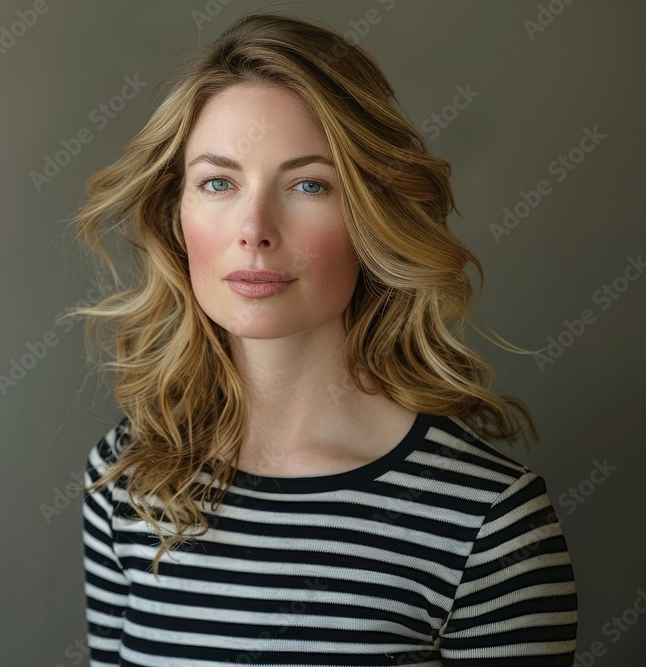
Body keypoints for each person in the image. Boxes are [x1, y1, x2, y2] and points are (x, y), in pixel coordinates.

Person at [65, 11, 577, 666]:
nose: (254, 228)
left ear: (372, 215)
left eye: (309, 184)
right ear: (176, 212)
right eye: (218, 182)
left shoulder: (491, 520)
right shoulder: (127, 476)